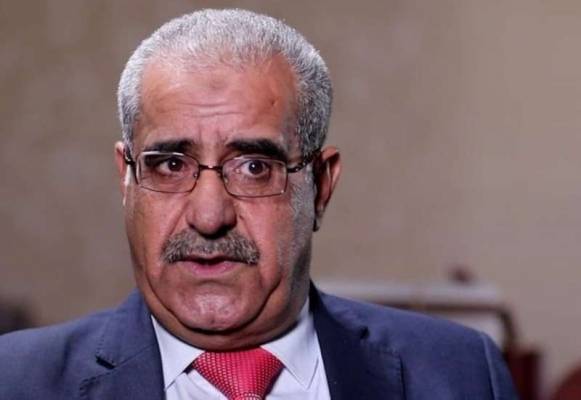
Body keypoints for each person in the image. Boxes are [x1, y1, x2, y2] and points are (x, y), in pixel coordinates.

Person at [0, 9, 518, 400]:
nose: (208, 216)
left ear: (320, 185)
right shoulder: (15, 380)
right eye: (171, 164)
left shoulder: (460, 374)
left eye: (253, 167)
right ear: (127, 179)